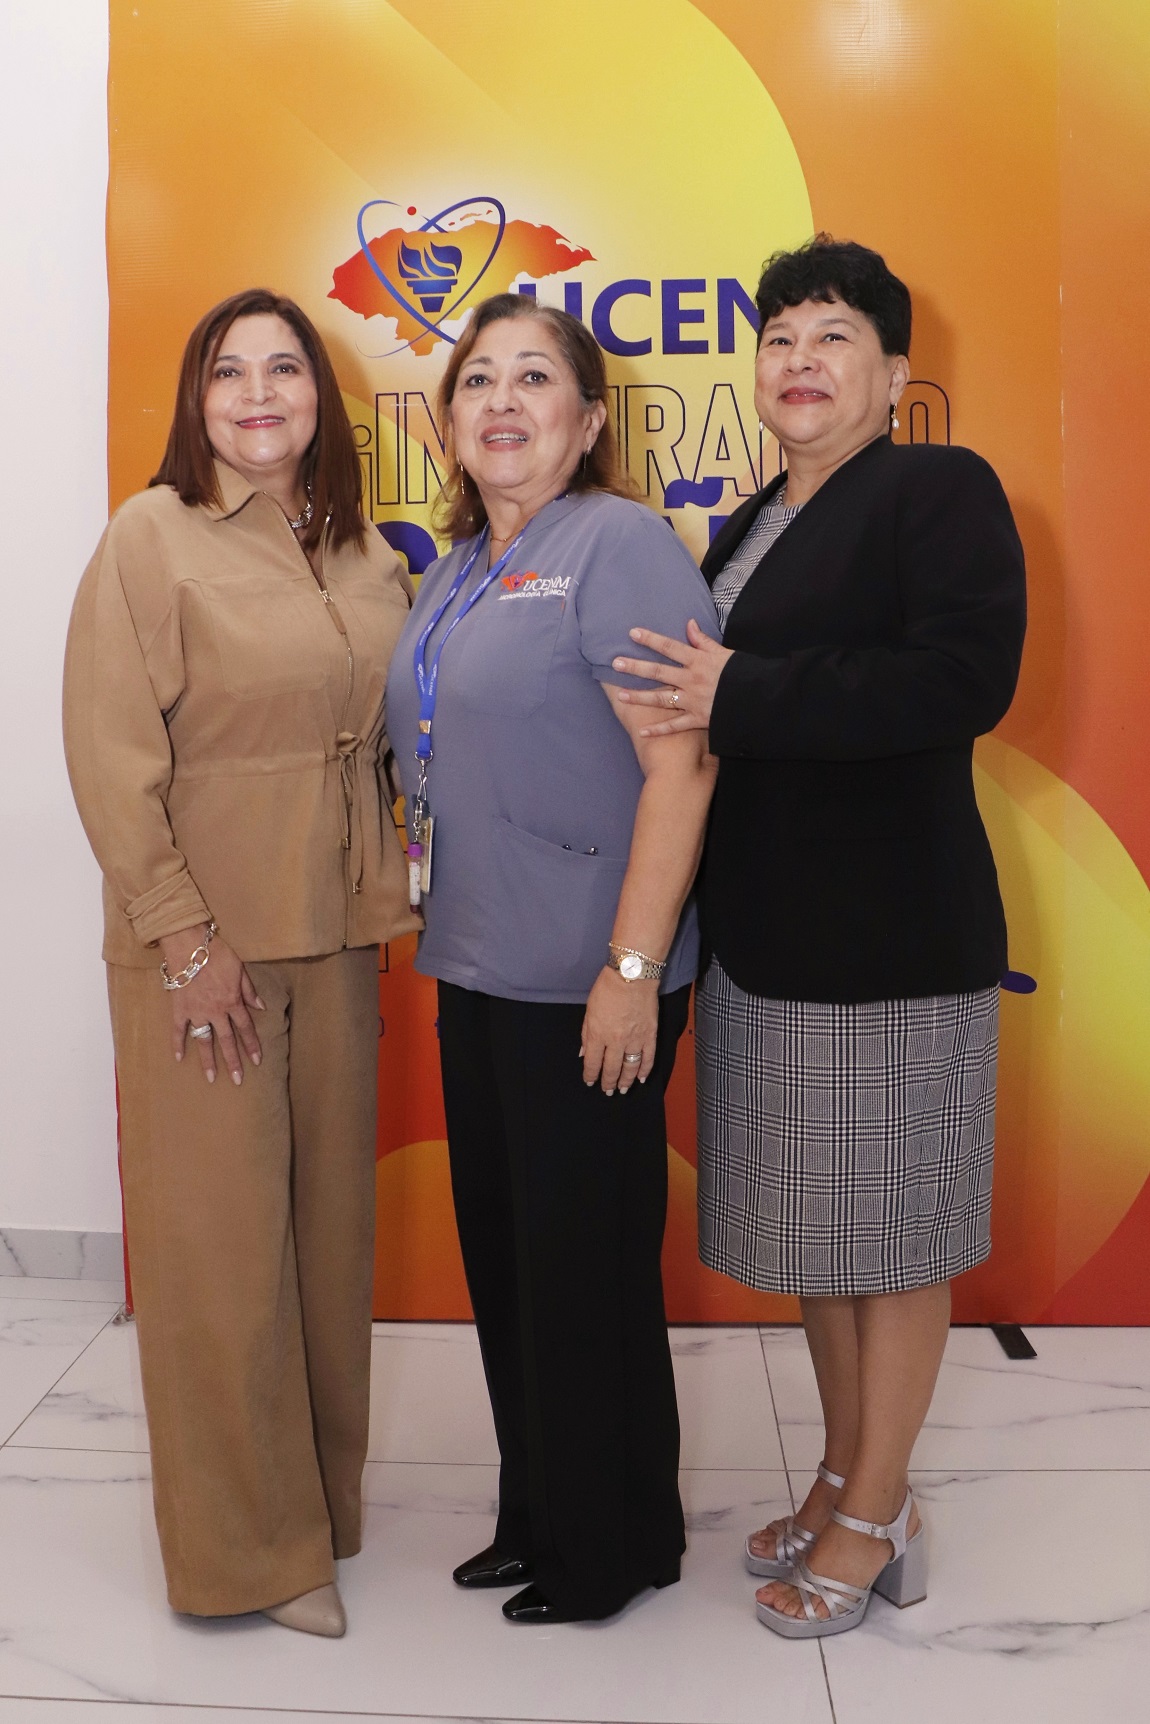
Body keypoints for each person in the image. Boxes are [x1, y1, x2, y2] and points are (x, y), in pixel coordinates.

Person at [611, 236, 1026, 1638]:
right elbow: (712, 707)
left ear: (895, 374)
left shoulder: (935, 490)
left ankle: (875, 1513)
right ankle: (849, 1474)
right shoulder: (746, 522)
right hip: (768, 942)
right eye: (780, 336)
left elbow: (961, 680)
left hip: (887, 941)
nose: (800, 359)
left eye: (833, 335)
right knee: (825, 1239)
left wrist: (741, 692)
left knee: (893, 1241)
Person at [63, 288, 419, 1635]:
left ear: (322, 396)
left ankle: (316, 1509)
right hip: (203, 949)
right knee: (218, 1258)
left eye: (285, 368)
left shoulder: (363, 552)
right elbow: (111, 759)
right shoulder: (149, 538)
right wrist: (183, 940)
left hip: (336, 938)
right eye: (229, 372)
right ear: (195, 399)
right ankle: (245, 1558)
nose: (259, 394)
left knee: (325, 1245)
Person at [385, 293, 718, 1624]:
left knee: (585, 1268)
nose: (504, 402)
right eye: (479, 381)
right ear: (449, 423)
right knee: (513, 1260)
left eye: (535, 379)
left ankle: (610, 1544)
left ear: (586, 423)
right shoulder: (457, 567)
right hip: (477, 964)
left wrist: (631, 971)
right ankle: (540, 1513)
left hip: (588, 976)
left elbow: (682, 767)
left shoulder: (617, 544)